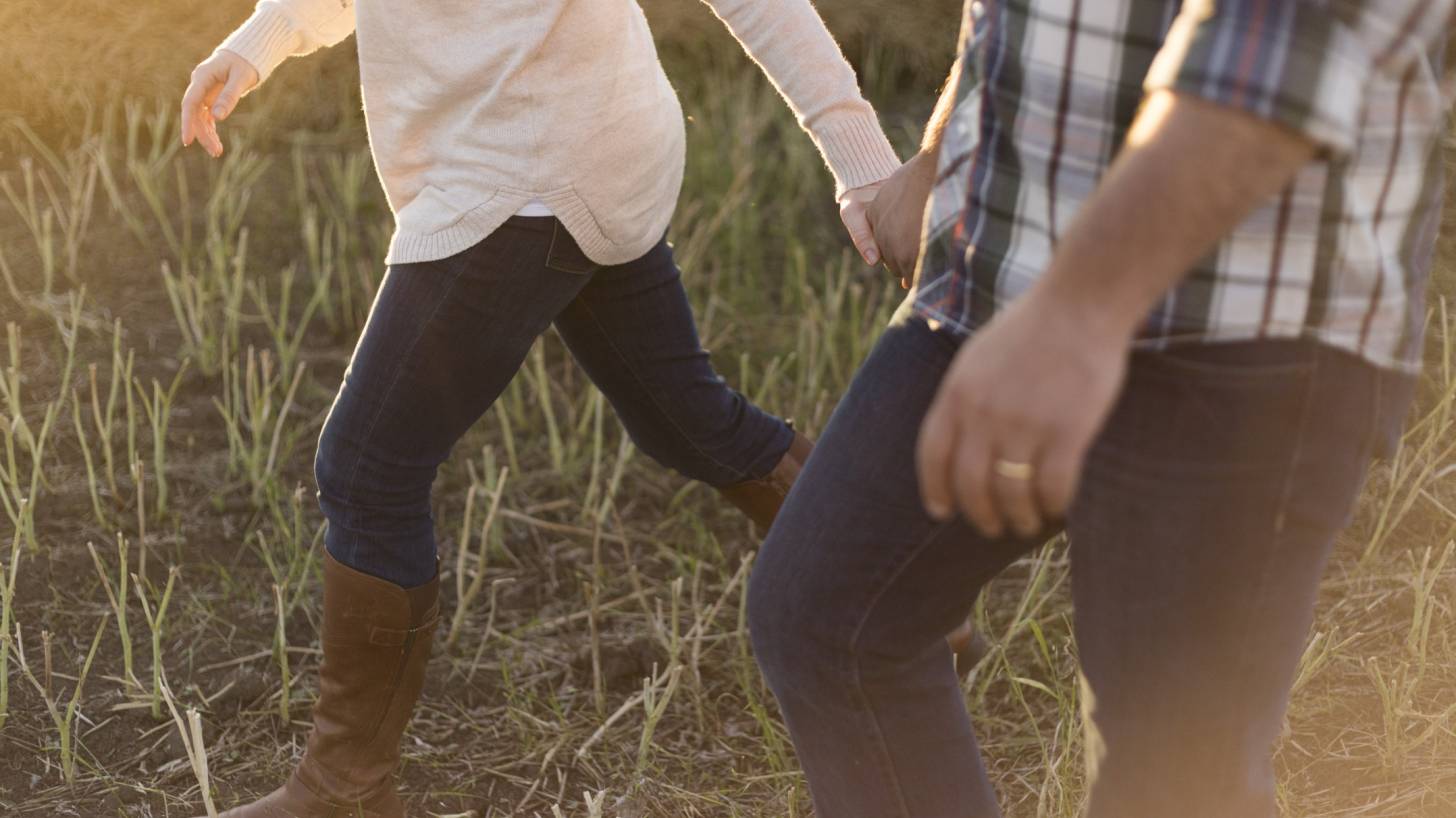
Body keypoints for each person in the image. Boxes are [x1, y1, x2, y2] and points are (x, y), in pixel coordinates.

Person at [177, 1, 916, 815]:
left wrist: (866, 166)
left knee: (365, 467)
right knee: (685, 420)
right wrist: (257, 43)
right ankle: (904, 598)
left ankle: (342, 788)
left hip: (527, 167)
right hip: (579, 139)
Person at [747, 0, 1453, 816]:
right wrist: (945, 144)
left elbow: (1285, 51)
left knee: (1168, 781)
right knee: (830, 618)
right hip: (1005, 265)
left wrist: (1079, 312)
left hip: (1242, 317)